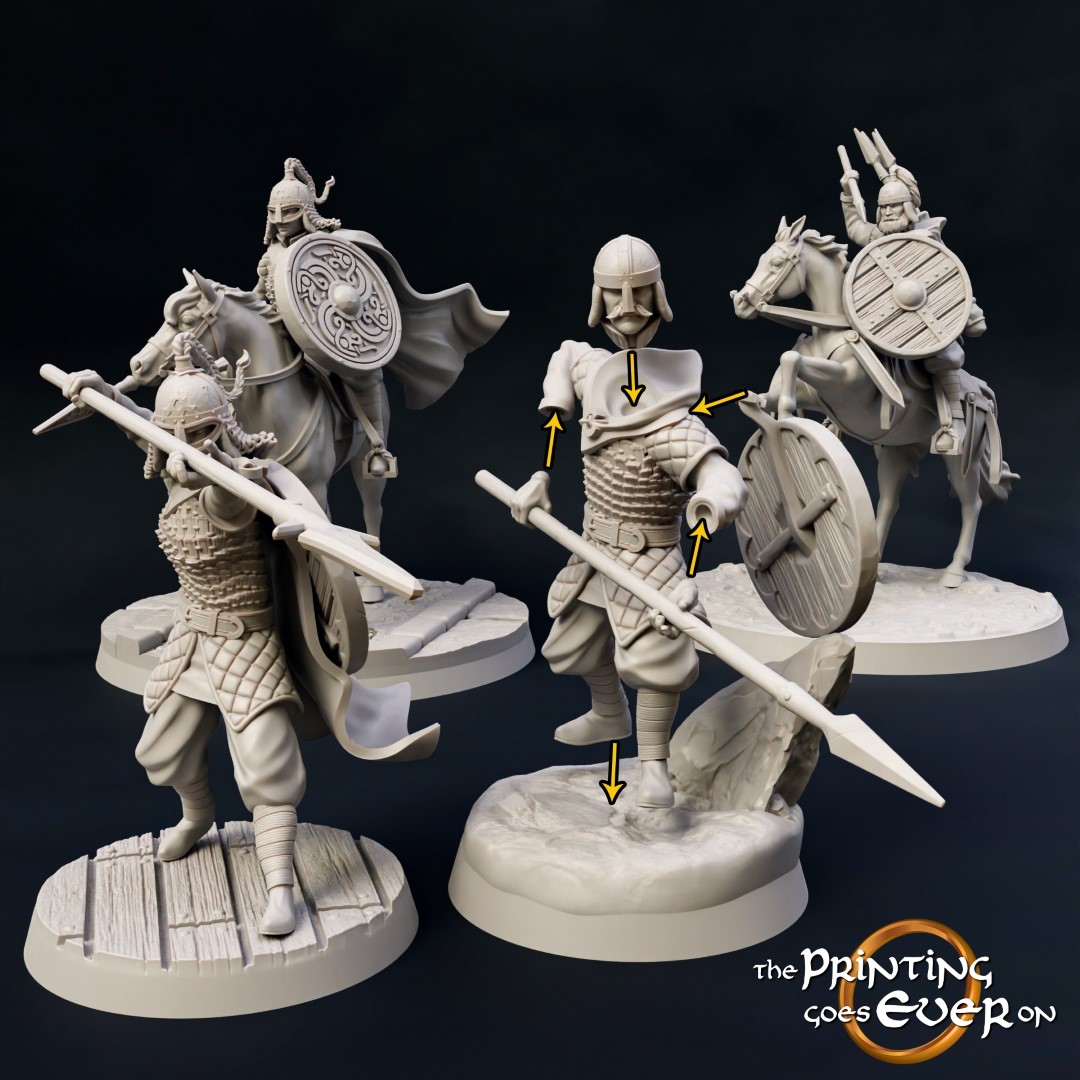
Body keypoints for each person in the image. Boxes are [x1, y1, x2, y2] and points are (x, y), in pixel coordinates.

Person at [67, 333, 307, 935]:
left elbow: (228, 501)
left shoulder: (238, 486)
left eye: (200, 434)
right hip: (192, 638)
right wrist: (102, 392)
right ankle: (197, 817)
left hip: (245, 642)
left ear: (223, 429)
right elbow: (142, 427)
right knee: (161, 751)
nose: (186, 445)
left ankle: (281, 888)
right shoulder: (173, 459)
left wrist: (210, 471)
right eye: (177, 435)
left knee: (267, 770)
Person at [512, 236, 746, 808]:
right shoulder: (592, 371)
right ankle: (608, 713)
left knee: (656, 661)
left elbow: (722, 474)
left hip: (649, 556)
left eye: (639, 297)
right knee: (570, 645)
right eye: (614, 298)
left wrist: (711, 504)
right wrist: (542, 472)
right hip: (593, 548)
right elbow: (566, 355)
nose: (627, 312)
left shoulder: (673, 426)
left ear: (657, 298)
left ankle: (653, 768)